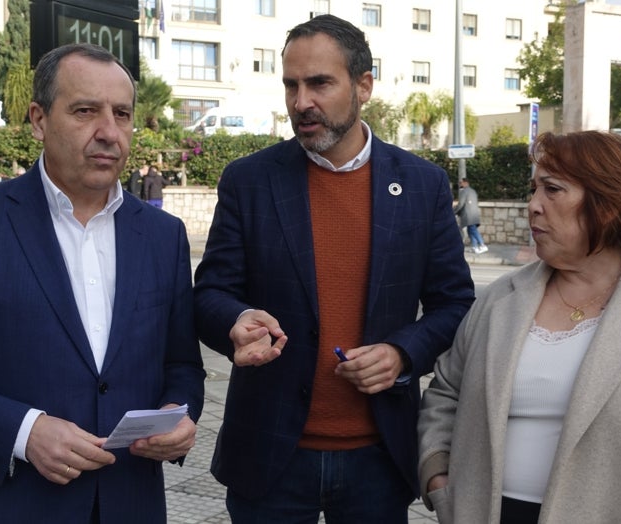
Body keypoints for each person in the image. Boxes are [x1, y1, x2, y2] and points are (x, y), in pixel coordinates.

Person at [194, 14, 475, 523]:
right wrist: (234, 321)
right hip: (269, 455)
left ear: (363, 85)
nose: (302, 102)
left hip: (379, 459)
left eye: (320, 83)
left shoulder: (422, 184)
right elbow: (210, 291)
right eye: (291, 85)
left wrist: (401, 353)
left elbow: (454, 304)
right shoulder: (249, 180)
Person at [0, 43, 205, 523]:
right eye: (85, 111)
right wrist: (23, 432)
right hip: (7, 506)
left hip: (130, 503)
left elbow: (181, 362)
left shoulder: (164, 235)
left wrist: (179, 415)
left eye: (122, 114)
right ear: (38, 119)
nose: (109, 132)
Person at [418, 130, 621, 524]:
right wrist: (440, 479)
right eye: (533, 189)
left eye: (552, 190)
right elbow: (446, 392)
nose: (533, 206)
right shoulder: (501, 298)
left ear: (609, 202)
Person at [454, 177, 488, 253]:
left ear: (466, 183)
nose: (460, 184)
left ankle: (483, 245)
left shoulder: (464, 192)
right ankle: (475, 247)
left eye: (461, 182)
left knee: (473, 230)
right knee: (470, 230)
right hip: (474, 214)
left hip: (468, 215)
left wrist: (454, 212)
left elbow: (461, 204)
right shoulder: (473, 191)